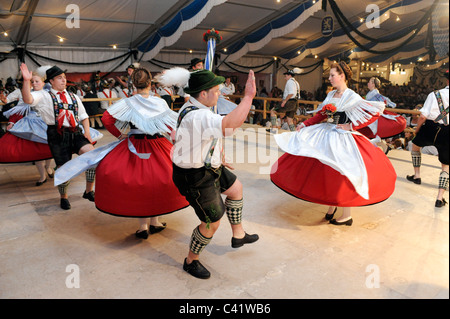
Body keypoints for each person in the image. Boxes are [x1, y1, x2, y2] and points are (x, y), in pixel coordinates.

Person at [54, 67, 189, 238]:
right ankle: (155, 222)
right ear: (150, 83)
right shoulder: (160, 101)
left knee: (139, 183)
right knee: (156, 181)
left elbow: (106, 119)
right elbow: (170, 124)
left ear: (133, 84)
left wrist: (120, 134)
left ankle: (143, 227)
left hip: (135, 145)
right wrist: (172, 138)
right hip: (157, 144)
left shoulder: (128, 102)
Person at [271, 61, 397, 226]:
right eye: (329, 75)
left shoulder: (351, 95)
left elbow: (374, 112)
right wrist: (305, 124)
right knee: (329, 171)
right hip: (327, 134)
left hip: (343, 137)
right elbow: (321, 115)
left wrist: (351, 126)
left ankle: (347, 214)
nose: (329, 78)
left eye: (332, 75)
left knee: (344, 172)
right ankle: (332, 207)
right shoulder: (330, 95)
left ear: (342, 76)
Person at [170, 69, 259, 279]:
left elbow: (216, 133)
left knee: (236, 189)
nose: (219, 94)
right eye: (216, 91)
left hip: (209, 165)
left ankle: (238, 234)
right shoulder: (198, 115)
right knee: (212, 221)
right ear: (203, 94)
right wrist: (248, 97)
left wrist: (218, 153)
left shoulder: (193, 106)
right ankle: (191, 260)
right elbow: (228, 125)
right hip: (194, 175)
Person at [20, 63, 97, 210]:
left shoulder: (74, 96)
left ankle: (88, 191)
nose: (63, 80)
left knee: (92, 157)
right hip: (57, 134)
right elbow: (28, 99)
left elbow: (84, 116)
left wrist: (86, 131)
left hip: (75, 132)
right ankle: (64, 197)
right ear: (51, 81)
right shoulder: (44, 96)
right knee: (63, 168)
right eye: (59, 78)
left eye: (64, 77)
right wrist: (26, 81)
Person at [0, 68, 54, 185]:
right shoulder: (23, 93)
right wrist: (12, 122)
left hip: (46, 123)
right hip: (31, 125)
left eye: (36, 81)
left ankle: (48, 168)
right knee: (36, 151)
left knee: (48, 147)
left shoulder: (49, 93)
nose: (33, 83)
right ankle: (42, 176)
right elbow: (16, 109)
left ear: (43, 82)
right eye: (31, 81)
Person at [406, 70, 449, 208]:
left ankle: (417, 175)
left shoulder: (434, 94)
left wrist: (417, 130)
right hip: (447, 132)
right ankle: (439, 198)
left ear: (447, 81)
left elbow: (423, 116)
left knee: (415, 146)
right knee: (446, 166)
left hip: (430, 127)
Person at [358, 77, 406, 145]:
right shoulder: (371, 94)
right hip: (369, 115)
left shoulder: (377, 95)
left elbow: (386, 102)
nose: (368, 83)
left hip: (374, 116)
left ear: (373, 84)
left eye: (369, 82)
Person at [267, 69, 301, 133]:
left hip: (289, 102)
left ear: (289, 75)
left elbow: (291, 93)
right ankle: (294, 133)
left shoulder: (289, 82)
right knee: (289, 119)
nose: (285, 76)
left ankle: (274, 129)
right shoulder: (296, 83)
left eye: (286, 75)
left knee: (273, 111)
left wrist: (285, 101)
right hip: (295, 103)